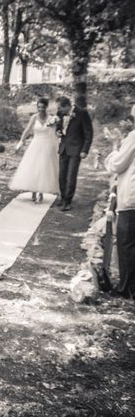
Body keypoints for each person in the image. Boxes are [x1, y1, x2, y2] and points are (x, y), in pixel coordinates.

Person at [104, 103, 135, 298]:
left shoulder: (134, 136)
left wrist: (115, 145)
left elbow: (117, 164)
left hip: (132, 197)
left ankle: (126, 288)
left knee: (127, 243)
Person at [9, 98, 60, 202]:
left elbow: (55, 133)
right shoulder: (34, 117)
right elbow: (27, 130)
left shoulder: (52, 118)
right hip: (36, 144)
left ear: (46, 107)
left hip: (47, 145)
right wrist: (20, 143)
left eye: (43, 107)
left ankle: (41, 192)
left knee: (44, 168)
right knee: (33, 167)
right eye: (39, 107)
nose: (41, 109)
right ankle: (33, 192)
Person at [56, 97, 94, 211]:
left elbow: (89, 132)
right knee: (62, 175)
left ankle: (67, 201)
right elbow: (58, 126)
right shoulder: (60, 113)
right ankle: (63, 198)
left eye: (60, 108)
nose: (58, 110)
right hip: (63, 148)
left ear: (67, 106)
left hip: (76, 149)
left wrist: (85, 150)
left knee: (71, 176)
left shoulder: (82, 113)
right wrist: (57, 131)